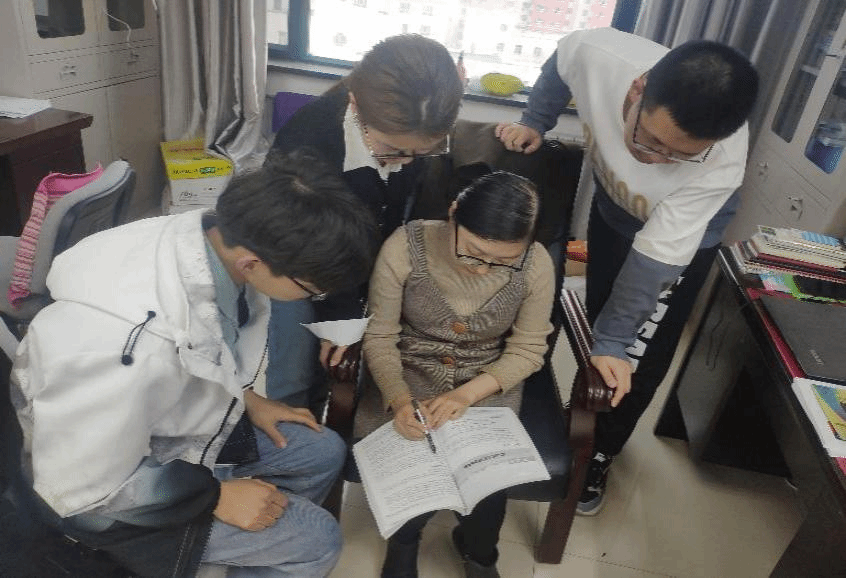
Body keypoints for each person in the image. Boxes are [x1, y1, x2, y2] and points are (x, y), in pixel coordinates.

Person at [9, 150, 379, 578]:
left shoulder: (206, 237)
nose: (312, 297)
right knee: (318, 540)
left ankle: (250, 546)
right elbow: (82, 486)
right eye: (312, 290)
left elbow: (203, 346)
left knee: (322, 451)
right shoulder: (126, 348)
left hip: (160, 427)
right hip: (103, 496)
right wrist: (217, 497)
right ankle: (263, 545)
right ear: (252, 263)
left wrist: (245, 398)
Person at [496, 28, 759, 515]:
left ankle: (599, 451)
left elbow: (654, 261)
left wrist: (615, 342)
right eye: (651, 139)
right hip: (615, 211)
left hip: (679, 236)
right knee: (600, 316)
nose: (656, 159)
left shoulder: (721, 162)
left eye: (680, 155)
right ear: (638, 89)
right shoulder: (597, 54)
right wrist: (535, 120)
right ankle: (584, 411)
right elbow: (559, 64)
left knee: (633, 350)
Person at [354, 172, 555, 578]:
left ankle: (479, 551)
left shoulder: (536, 264)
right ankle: (404, 542)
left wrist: (466, 395)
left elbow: (528, 349)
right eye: (474, 253)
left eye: (503, 261)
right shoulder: (406, 245)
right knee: (412, 457)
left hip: (487, 380)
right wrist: (399, 400)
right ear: (453, 215)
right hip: (409, 369)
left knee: (488, 483)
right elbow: (380, 335)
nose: (483, 270)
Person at [264, 34, 464, 408]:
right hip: (298, 264)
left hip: (365, 258)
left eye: (422, 152)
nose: (407, 162)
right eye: (393, 150)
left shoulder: (410, 129)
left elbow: (403, 213)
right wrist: (341, 317)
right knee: (297, 370)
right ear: (354, 104)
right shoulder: (307, 147)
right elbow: (311, 248)